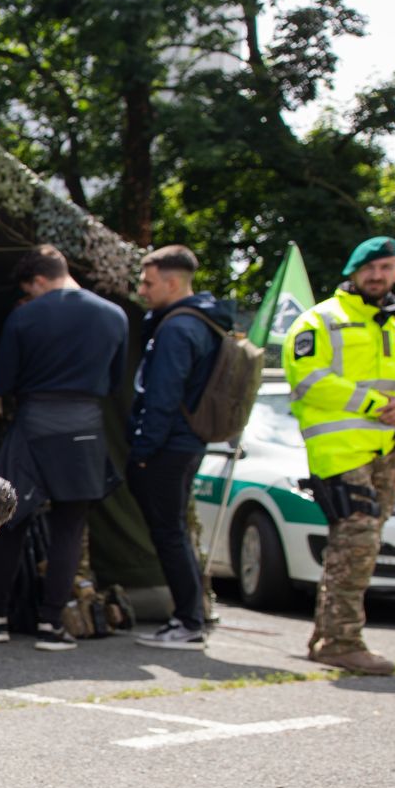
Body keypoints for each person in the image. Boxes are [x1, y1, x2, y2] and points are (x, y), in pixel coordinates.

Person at [0, 245, 128, 650]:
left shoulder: (25, 315)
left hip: (34, 424)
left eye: (30, 290)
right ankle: (53, 624)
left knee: (7, 518)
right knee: (70, 526)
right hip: (86, 426)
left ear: (38, 281)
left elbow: (2, 382)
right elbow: (116, 380)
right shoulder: (115, 315)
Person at [284, 235, 395, 675]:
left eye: (386, 268)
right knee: (357, 541)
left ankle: (329, 638)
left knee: (358, 546)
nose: (377, 276)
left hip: (389, 452)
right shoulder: (321, 320)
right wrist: (375, 404)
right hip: (340, 453)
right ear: (353, 272)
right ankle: (341, 641)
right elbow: (308, 379)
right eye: (369, 268)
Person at [127, 244, 232, 650]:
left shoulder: (177, 328)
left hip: (168, 447)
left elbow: (163, 396)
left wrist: (143, 451)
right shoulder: (204, 321)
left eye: (148, 283)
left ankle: (188, 621)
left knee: (170, 534)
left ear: (172, 283)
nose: (141, 290)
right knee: (177, 532)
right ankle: (191, 617)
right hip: (188, 442)